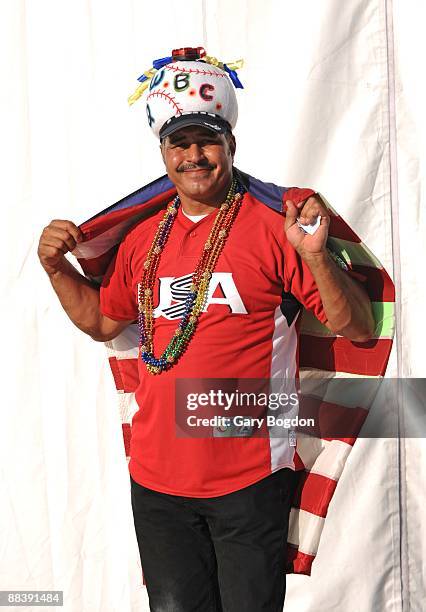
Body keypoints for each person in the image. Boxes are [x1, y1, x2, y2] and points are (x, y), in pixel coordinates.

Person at [37, 48, 375, 611]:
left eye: (207, 140)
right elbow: (102, 320)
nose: (194, 155)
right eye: (180, 142)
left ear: (230, 145)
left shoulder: (276, 229)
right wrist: (55, 269)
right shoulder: (144, 236)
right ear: (163, 152)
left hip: (248, 482)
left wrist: (316, 257)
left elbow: (357, 327)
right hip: (156, 483)